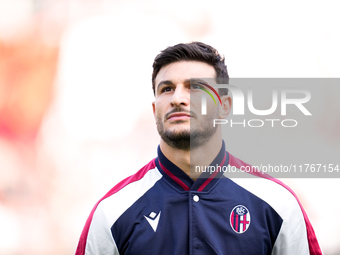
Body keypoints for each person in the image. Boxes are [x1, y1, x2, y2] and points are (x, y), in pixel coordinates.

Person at [75, 42, 323, 255]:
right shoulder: (112, 211)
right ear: (155, 110)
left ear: (224, 107)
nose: (177, 98)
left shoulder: (278, 204)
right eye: (167, 88)